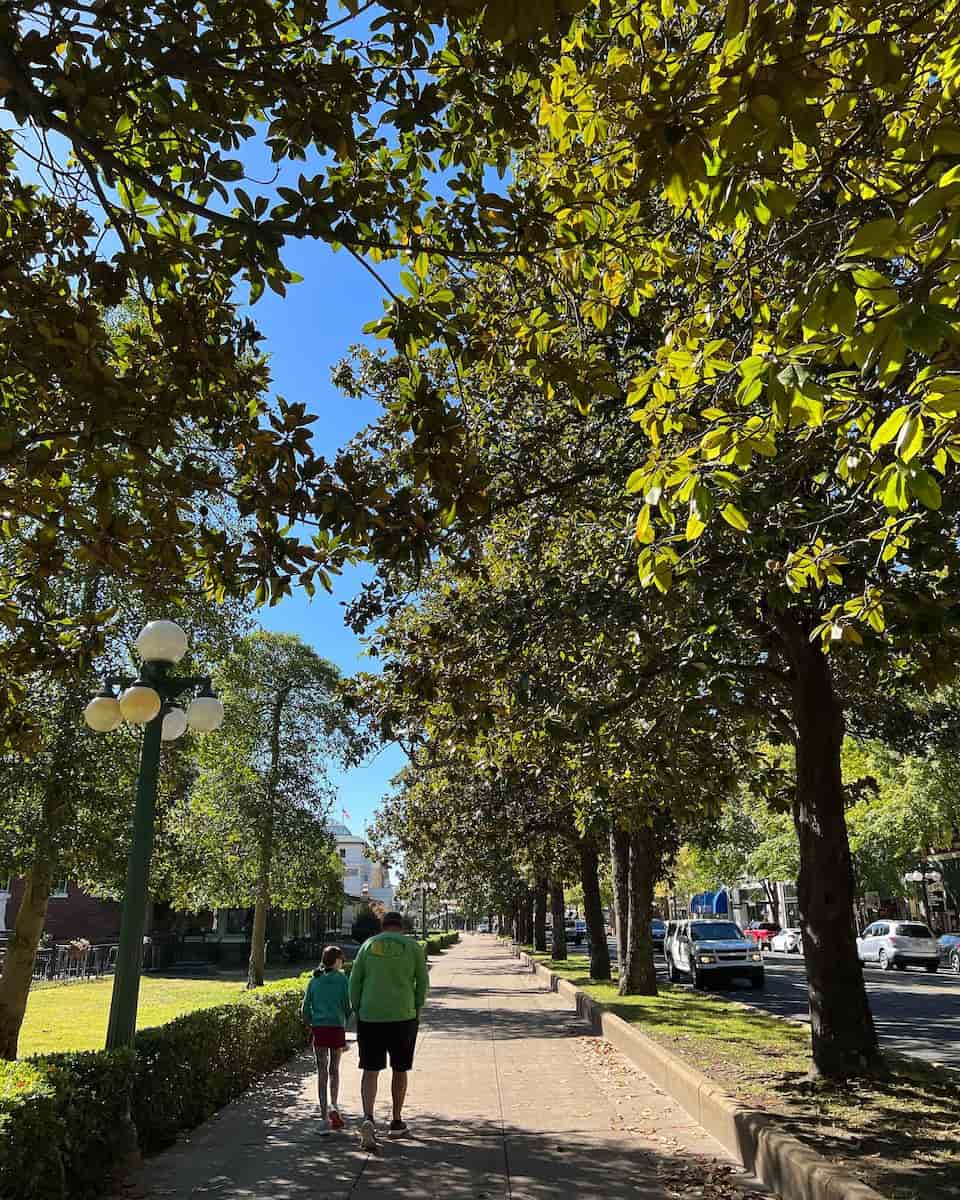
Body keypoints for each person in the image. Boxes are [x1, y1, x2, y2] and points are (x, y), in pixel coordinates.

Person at [348, 911, 429, 1150]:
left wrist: (357, 1008)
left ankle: (368, 1117)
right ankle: (395, 1121)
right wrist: (416, 1007)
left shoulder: (368, 946)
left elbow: (355, 981)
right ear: (401, 927)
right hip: (403, 1016)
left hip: (370, 1016)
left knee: (370, 1069)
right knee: (400, 1069)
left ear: (382, 927)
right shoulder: (412, 947)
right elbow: (422, 982)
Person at [301, 944, 351, 1134]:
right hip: (336, 1028)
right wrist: (344, 1020)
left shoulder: (314, 981)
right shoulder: (342, 979)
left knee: (321, 1071)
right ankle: (334, 1106)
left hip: (320, 1029)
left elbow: (305, 1010)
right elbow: (348, 1006)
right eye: (342, 960)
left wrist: (312, 1024)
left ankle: (323, 1119)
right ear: (337, 961)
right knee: (334, 1070)